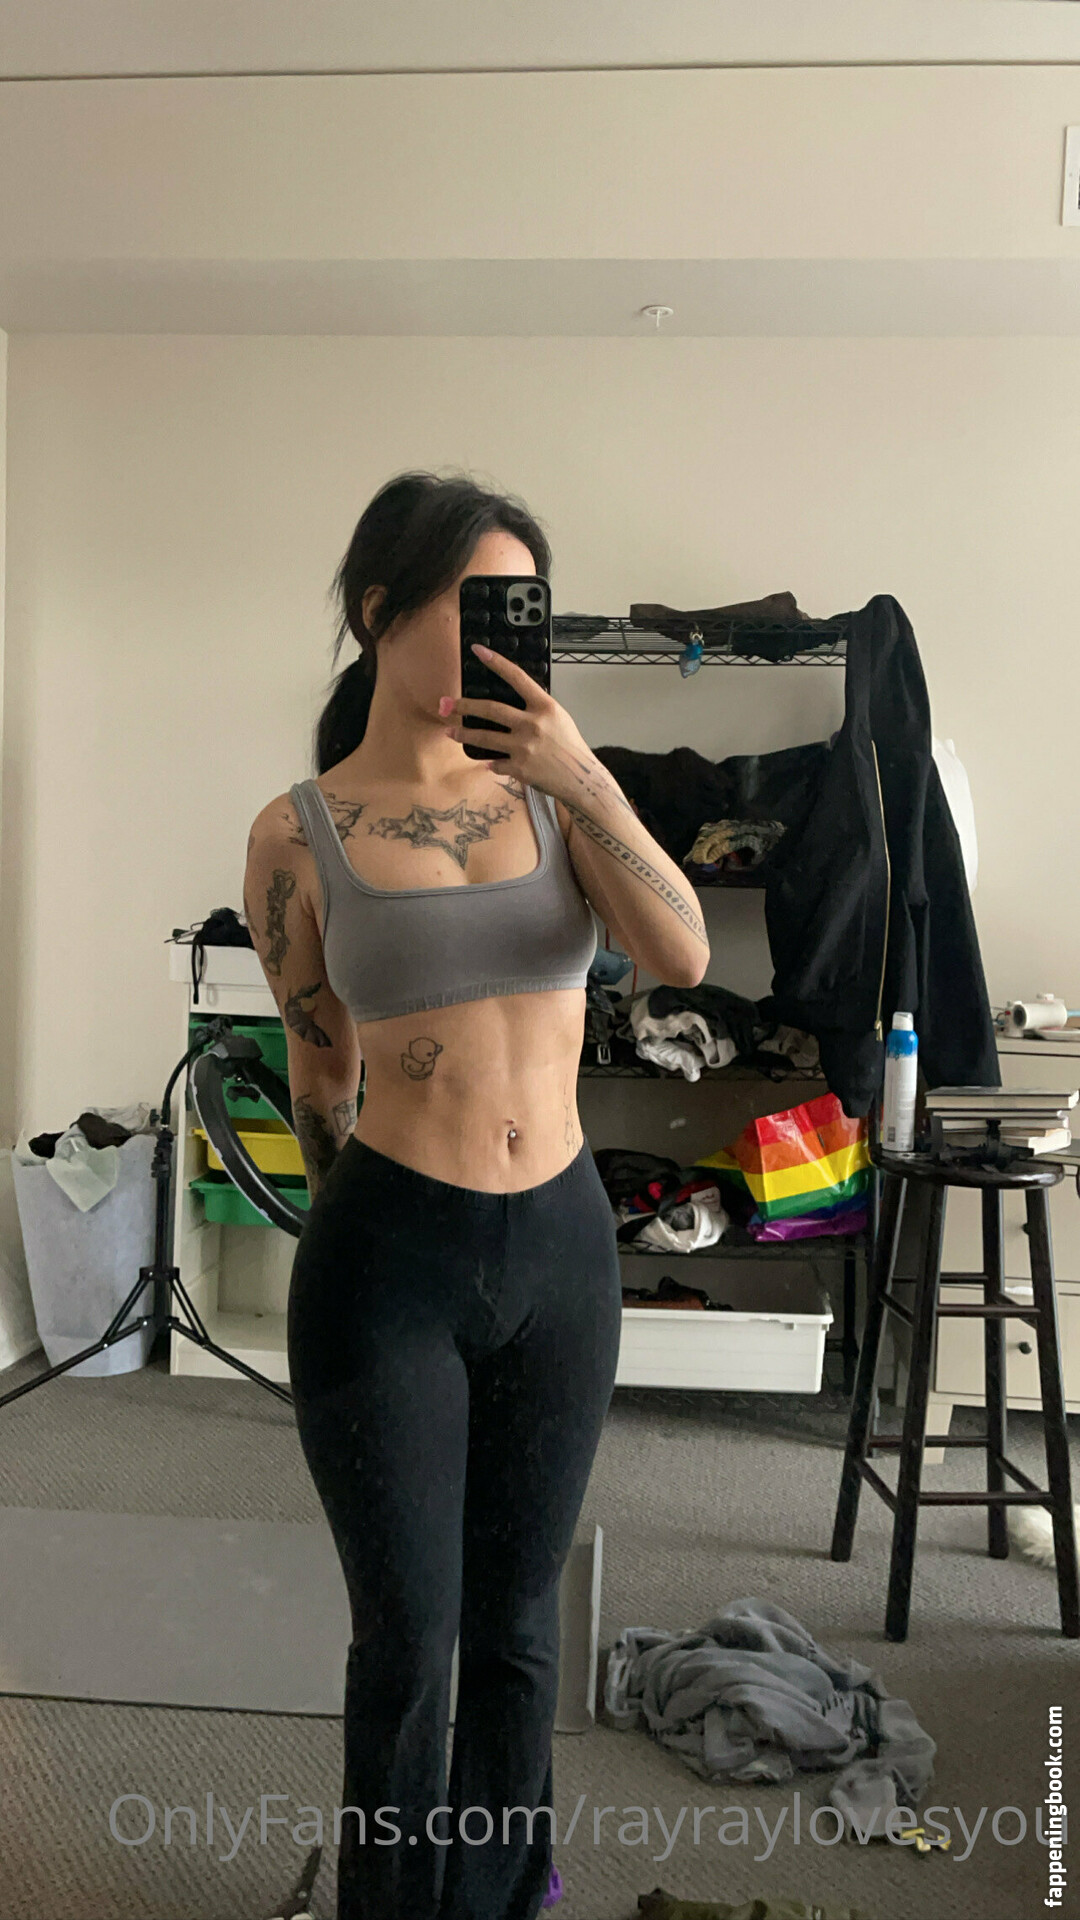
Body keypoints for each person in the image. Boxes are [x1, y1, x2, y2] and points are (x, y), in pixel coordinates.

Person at [243, 471, 710, 1920]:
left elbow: (684, 955)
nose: (504, 637)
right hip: (391, 1253)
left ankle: (504, 1901)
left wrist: (585, 775)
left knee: (519, 1630)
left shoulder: (557, 801)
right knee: (409, 1643)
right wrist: (355, 1243)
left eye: (525, 609)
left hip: (562, 1249)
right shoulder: (298, 833)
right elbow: (319, 1071)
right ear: (378, 611)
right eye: (474, 605)